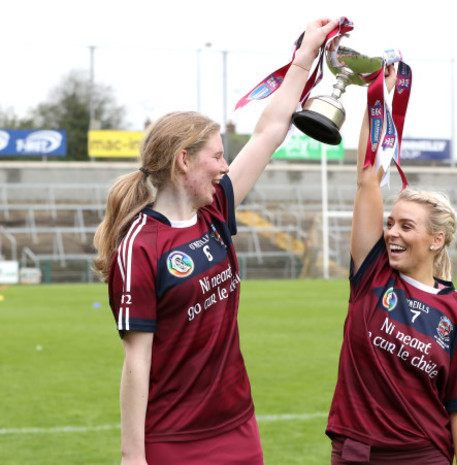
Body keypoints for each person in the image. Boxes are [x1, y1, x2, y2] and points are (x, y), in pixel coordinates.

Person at [92, 18, 339, 465]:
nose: (226, 166)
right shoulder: (140, 246)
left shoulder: (215, 211)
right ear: (184, 161)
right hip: (174, 440)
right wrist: (133, 456)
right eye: (218, 156)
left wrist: (304, 59)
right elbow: (136, 361)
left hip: (238, 426)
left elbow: (268, 132)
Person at [326, 65, 457, 465]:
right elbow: (369, 179)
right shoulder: (372, 277)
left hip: (422, 457)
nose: (392, 233)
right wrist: (377, 99)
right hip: (355, 454)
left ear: (436, 239)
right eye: (390, 223)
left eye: (406, 226)